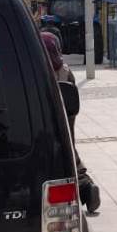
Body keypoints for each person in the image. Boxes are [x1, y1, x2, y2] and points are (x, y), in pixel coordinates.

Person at [41, 31, 101, 214]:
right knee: (68, 153)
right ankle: (85, 186)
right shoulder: (66, 70)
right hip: (66, 121)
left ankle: (80, 188)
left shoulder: (36, 68)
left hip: (42, 124)